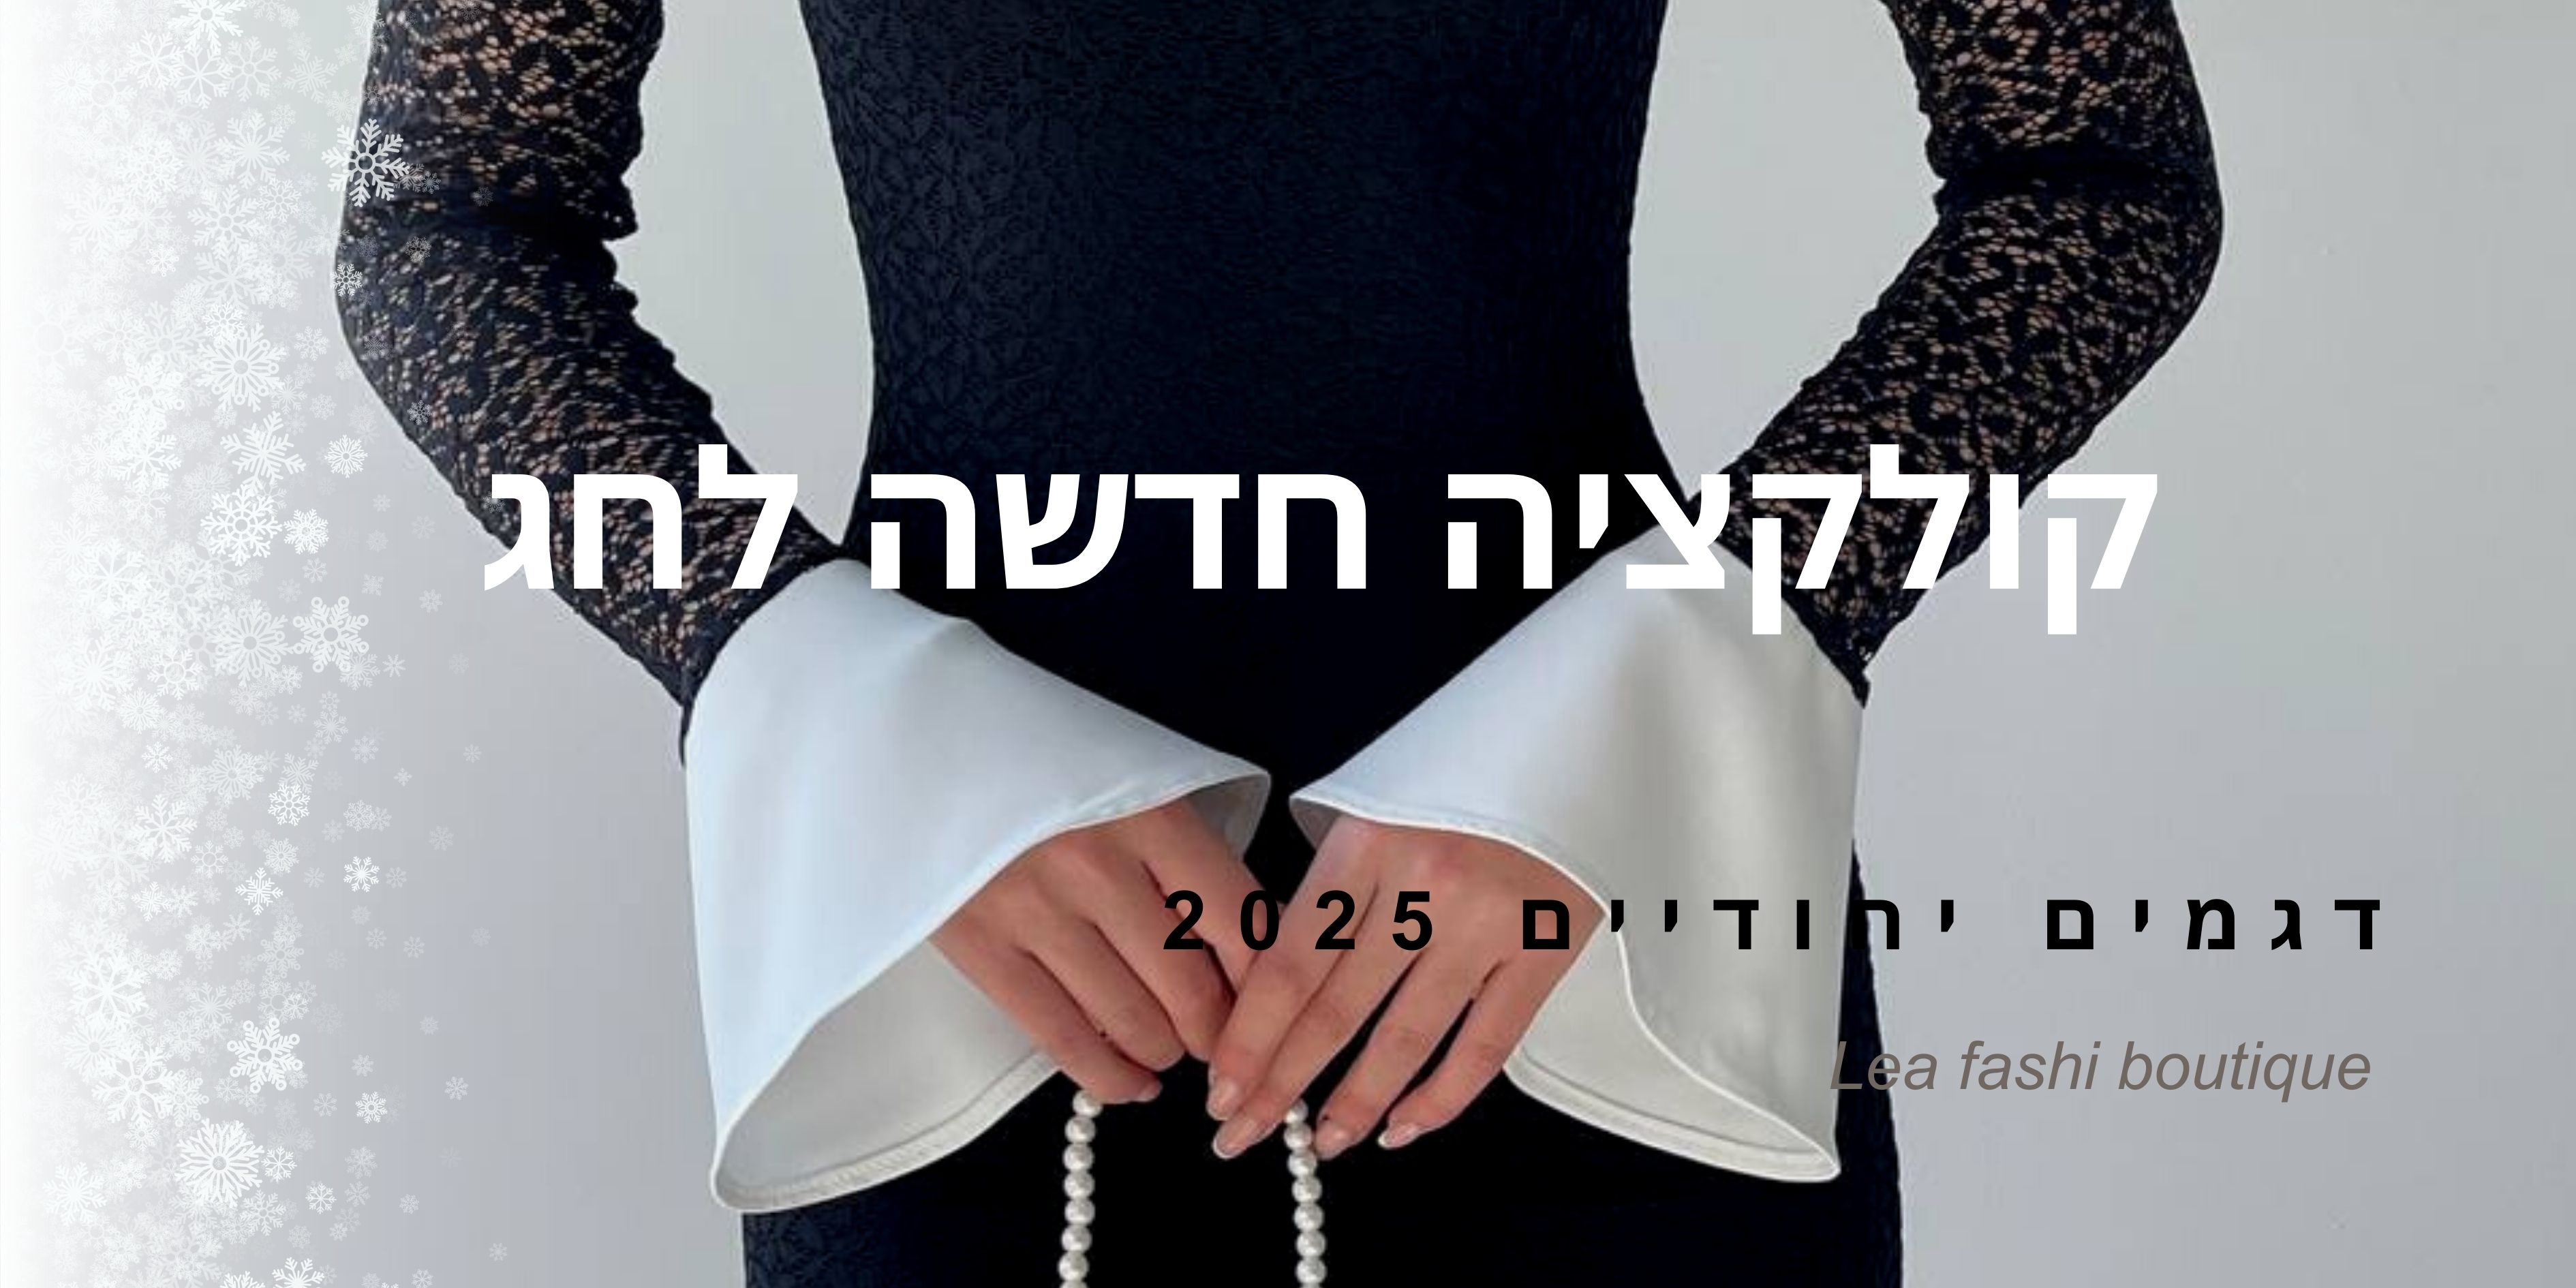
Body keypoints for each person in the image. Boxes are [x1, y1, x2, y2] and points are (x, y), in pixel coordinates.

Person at [336, 1, 2220, 1283]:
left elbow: (2097, 174)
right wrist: (841, 709)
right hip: (970, 951)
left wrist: (1631, 724)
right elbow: (444, 228)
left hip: (1592, 931)